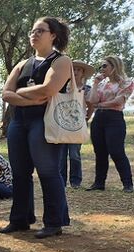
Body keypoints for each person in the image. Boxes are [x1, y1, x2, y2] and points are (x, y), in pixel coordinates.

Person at [0, 17, 72, 238]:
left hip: (44, 121)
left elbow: (49, 90)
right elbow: (5, 94)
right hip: (19, 122)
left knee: (48, 171)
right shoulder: (22, 64)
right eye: (32, 31)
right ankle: (20, 220)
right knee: (20, 173)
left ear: (54, 35)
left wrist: (19, 94)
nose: (34, 34)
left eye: (40, 31)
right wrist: (30, 98)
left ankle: (54, 223)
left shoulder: (61, 61)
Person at [86, 55, 134, 192]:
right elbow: (92, 100)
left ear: (114, 66)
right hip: (99, 119)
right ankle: (99, 183)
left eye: (105, 66)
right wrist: (95, 84)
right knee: (100, 151)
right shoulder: (101, 83)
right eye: (101, 66)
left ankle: (128, 183)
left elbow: (118, 101)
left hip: (114, 119)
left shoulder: (126, 82)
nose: (102, 69)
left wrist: (99, 105)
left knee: (116, 150)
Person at [59, 60, 94, 189]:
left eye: (79, 70)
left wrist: (87, 117)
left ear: (83, 73)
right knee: (61, 154)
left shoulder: (87, 89)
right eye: (74, 69)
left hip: (77, 126)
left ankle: (75, 181)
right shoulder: (63, 87)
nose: (76, 72)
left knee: (74, 154)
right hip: (63, 124)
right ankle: (61, 181)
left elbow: (91, 104)